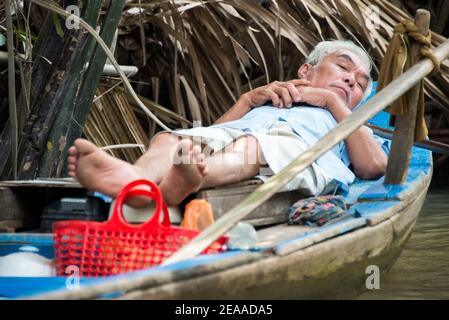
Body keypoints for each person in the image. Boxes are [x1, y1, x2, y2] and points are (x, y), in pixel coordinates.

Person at [67, 40, 389, 207]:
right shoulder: (275, 94)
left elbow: (373, 167)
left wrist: (332, 102)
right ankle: (136, 180)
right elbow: (217, 131)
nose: (350, 80)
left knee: (254, 147)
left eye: (360, 84)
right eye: (343, 67)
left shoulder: (356, 124)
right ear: (306, 71)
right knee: (173, 139)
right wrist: (248, 101)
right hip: (240, 134)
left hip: (298, 150)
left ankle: (191, 180)